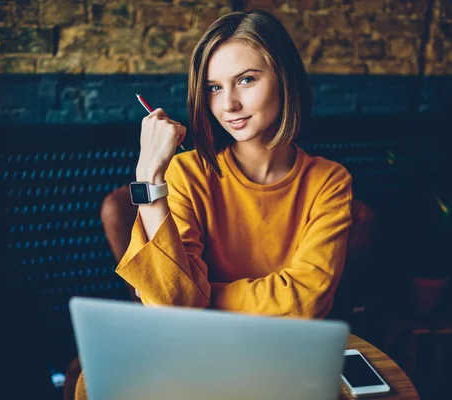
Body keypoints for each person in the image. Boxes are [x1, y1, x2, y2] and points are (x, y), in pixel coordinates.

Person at [71, 9, 353, 398]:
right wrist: (149, 180)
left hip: (285, 364)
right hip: (191, 364)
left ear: (284, 78)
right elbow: (173, 305)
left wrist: (202, 298)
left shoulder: (329, 181)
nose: (229, 105)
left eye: (247, 80)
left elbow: (306, 302)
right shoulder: (186, 173)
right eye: (214, 88)